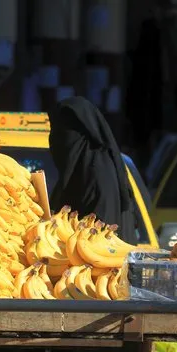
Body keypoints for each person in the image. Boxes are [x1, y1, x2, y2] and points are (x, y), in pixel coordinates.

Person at [48, 96, 138, 245]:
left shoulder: (98, 176)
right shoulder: (81, 171)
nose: (56, 137)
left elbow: (98, 240)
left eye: (63, 130)